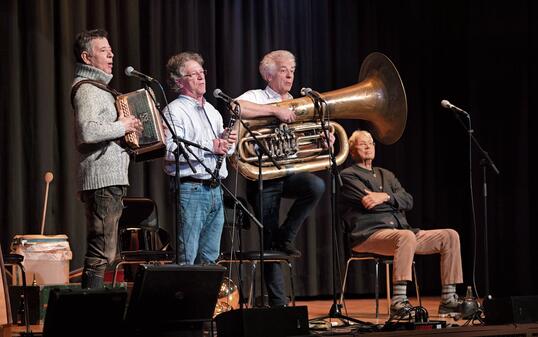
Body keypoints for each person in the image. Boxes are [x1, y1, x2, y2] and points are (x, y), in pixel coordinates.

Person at [236, 50, 328, 307]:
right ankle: (279, 303)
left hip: (287, 172)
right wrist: (275, 112)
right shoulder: (256, 96)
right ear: (268, 74)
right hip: (263, 177)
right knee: (268, 243)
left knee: (316, 185)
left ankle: (286, 236)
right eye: (284, 70)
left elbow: (299, 148)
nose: (290, 75)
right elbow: (236, 107)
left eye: (292, 70)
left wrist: (322, 143)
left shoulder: (300, 102)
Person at [339, 129, 463, 316]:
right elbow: (370, 204)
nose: (368, 146)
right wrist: (393, 202)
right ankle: (399, 302)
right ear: (352, 150)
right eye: (362, 143)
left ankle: (449, 299)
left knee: (450, 235)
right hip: (369, 235)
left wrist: (385, 197)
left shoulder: (386, 174)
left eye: (371, 143)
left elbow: (409, 200)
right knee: (405, 236)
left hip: (402, 233)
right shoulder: (348, 175)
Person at [72, 29, 143, 288]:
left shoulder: (101, 89)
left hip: (110, 177)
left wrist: (132, 128)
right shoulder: (88, 90)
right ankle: (90, 314)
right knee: (102, 251)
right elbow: (88, 130)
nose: (111, 54)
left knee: (107, 251)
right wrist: (122, 126)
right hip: (101, 178)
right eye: (103, 50)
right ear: (86, 57)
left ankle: (94, 312)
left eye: (110, 49)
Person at [163, 52, 237, 265]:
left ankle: (205, 299)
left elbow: (224, 152)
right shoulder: (174, 111)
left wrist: (226, 142)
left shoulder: (212, 111)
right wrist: (211, 146)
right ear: (179, 82)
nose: (201, 77)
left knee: (210, 257)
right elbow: (169, 151)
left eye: (202, 72)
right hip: (190, 189)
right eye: (193, 74)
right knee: (187, 256)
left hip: (215, 188)